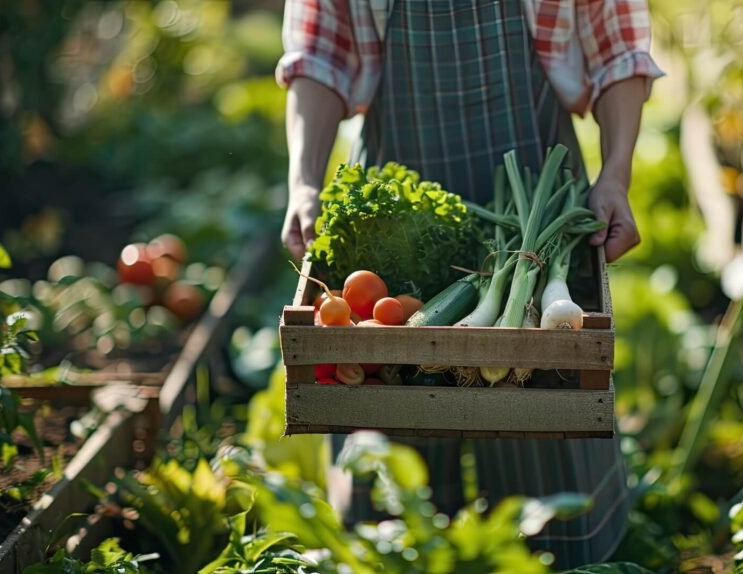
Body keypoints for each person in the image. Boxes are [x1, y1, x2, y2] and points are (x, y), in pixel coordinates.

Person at [277, 0, 662, 567]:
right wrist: (304, 183)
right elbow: (317, 55)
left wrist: (616, 174)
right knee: (393, 439)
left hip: (535, 184)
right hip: (399, 205)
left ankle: (552, 550)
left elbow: (618, 49)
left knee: (542, 419)